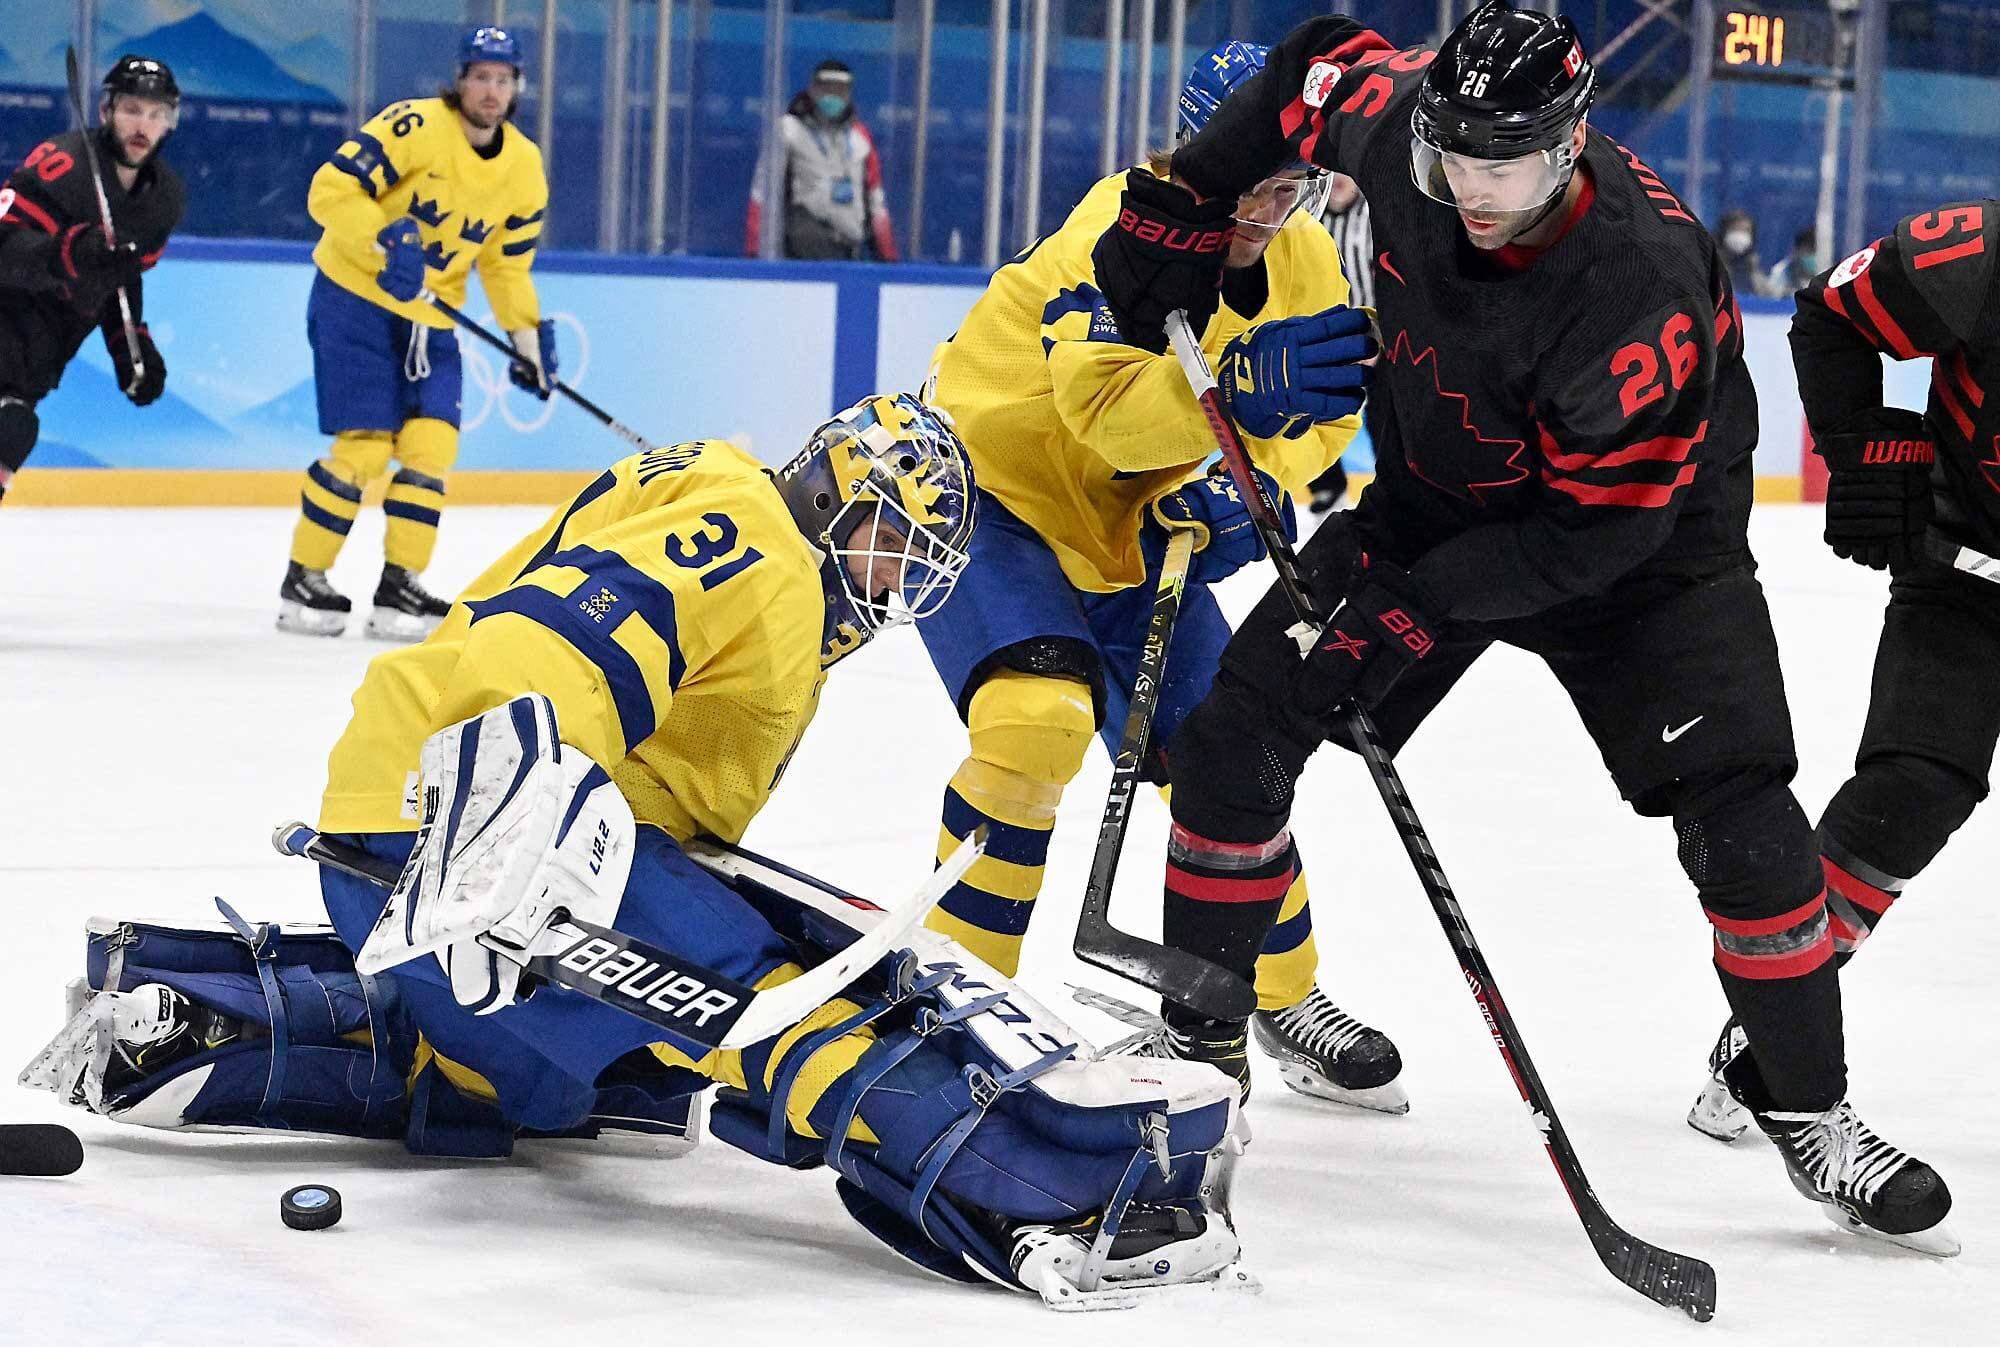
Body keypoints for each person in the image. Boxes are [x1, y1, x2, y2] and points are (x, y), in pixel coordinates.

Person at [22, 393, 1253, 1307]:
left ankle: (205, 1022)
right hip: (472, 822)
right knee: (776, 1002)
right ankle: (1047, 1196)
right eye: (887, 544)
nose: (889, 587)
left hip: (427, 836)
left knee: (580, 1071)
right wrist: (512, 820)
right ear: (836, 495)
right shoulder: (758, 550)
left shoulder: (715, 484)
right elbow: (544, 650)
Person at [1092, 1, 1955, 1252]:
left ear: (1568, 141)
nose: (1470, 190)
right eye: (1452, 160)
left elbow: (1592, 537)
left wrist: (1409, 605)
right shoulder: (1406, 130)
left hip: (1644, 559)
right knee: (1233, 745)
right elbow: (1309, 64)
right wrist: (1187, 204)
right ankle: (1197, 1051)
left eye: (1501, 165)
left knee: (1740, 822)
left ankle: (1807, 1111)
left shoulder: (1635, 285)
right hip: (1435, 505)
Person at [914, 39, 1403, 1113]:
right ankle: (949, 1010)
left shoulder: (1309, 260)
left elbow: (1319, 419)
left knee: (1229, 757)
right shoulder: (1113, 233)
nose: (1271, 206)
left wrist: (1256, 482)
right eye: (1249, 179)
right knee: (1032, 722)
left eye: (1293, 181)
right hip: (996, 499)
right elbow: (1099, 414)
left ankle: (1283, 993)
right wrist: (1235, 398)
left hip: (1137, 534)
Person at [1685, 202, 2000, 1175]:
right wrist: (1865, 445)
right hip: (1972, 572)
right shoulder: (1980, 257)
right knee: (1916, 781)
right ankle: (1781, 1030)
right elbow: (1830, 311)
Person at [279, 26, 555, 641]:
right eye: (480, 76)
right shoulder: (415, 126)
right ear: (459, 80)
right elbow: (330, 190)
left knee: (432, 449)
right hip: (354, 297)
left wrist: (527, 339)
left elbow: (506, 265)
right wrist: (384, 240)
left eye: (502, 79)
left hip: (431, 318)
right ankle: (304, 576)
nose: (490, 89)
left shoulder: (524, 166)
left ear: (517, 89)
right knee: (366, 449)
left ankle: (399, 583)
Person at [0, 57, 183, 506]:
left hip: (40, 354)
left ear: (169, 124)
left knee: (13, 432)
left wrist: (131, 347)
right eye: (132, 110)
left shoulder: (164, 199)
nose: (143, 124)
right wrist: (68, 253)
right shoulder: (61, 165)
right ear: (106, 113)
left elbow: (121, 279)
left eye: (156, 114)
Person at [745, 59, 898, 262]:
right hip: (801, 250)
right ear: (812, 89)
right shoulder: (788, 130)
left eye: (840, 90)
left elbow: (875, 203)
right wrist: (755, 254)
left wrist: (888, 260)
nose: (833, 95)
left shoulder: (860, 137)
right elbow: (763, 195)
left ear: (849, 94)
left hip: (849, 249)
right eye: (826, 88)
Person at [1308, 171, 1375, 513]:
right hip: (1325, 336)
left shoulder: (1375, 216)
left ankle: (1393, 487)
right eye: (1329, 173)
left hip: (1378, 335)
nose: (1338, 180)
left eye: (1345, 173)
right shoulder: (1308, 218)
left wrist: (1379, 339)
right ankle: (1326, 482)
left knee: (1388, 416)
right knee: (1308, 410)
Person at [1713, 207, 1763, 300]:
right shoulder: (1711, 261)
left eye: (1745, 230)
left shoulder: (1751, 263)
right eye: (1735, 229)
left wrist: (1754, 272)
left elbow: (1765, 294)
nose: (1740, 235)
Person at [1765, 226, 1820, 298]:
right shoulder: (1781, 271)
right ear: (1797, 250)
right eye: (1808, 250)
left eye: (1814, 251)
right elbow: (1771, 297)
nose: (1812, 255)